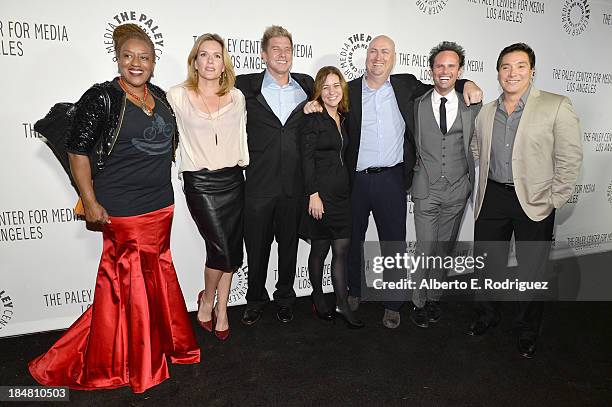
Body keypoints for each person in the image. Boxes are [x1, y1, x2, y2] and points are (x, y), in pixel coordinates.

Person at [28, 24, 200, 393]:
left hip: (160, 205)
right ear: (118, 59)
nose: (136, 63)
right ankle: (138, 363)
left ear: (153, 63)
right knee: (129, 285)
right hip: (123, 208)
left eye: (144, 58)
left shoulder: (158, 97)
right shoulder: (102, 97)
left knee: (154, 278)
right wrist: (89, 201)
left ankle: (158, 346)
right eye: (128, 57)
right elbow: (78, 151)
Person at [307, 35, 482, 328]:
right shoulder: (347, 90)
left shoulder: (406, 86)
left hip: (391, 178)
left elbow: (443, 85)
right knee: (352, 243)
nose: (378, 57)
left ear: (394, 58)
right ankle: (354, 293)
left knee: (394, 245)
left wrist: (467, 84)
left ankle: (393, 302)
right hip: (355, 181)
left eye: (384, 52)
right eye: (373, 51)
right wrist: (310, 106)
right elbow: (326, 110)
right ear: (366, 57)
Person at [467, 43, 582, 358]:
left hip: (534, 200)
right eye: (505, 67)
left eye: (520, 66)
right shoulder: (487, 111)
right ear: (498, 72)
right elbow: (478, 149)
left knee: (531, 269)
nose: (512, 72)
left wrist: (554, 199)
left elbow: (570, 159)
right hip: (492, 196)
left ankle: (526, 330)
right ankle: (487, 316)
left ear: (532, 71)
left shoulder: (557, 106)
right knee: (488, 264)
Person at [167, 33, 248, 341]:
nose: (210, 61)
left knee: (229, 250)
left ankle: (221, 307)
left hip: (232, 180)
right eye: (204, 55)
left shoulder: (237, 97)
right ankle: (206, 299)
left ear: (224, 62)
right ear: (195, 62)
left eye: (217, 55)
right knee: (223, 250)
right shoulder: (176, 95)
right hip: (200, 182)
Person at [236, 26, 313, 325]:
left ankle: (285, 297)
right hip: (258, 183)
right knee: (256, 247)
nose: (282, 54)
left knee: (289, 246)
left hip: (295, 185)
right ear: (264, 54)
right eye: (276, 49)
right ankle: (255, 298)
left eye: (287, 49)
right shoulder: (245, 88)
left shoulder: (306, 87)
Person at [409, 42, 480, 328]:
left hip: (457, 188)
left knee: (443, 247)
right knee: (425, 247)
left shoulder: (472, 105)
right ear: (431, 70)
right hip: (425, 187)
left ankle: (435, 296)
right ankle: (418, 300)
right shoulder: (416, 102)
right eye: (440, 66)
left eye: (451, 66)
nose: (445, 71)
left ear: (459, 71)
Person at [299, 66, 364, 329]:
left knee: (341, 250)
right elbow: (306, 160)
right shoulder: (313, 118)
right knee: (320, 249)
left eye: (336, 85)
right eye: (325, 87)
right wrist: (313, 194)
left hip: (342, 197)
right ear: (318, 92)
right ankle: (318, 297)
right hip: (320, 196)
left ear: (343, 89)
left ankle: (341, 302)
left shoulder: (344, 118)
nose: (331, 91)